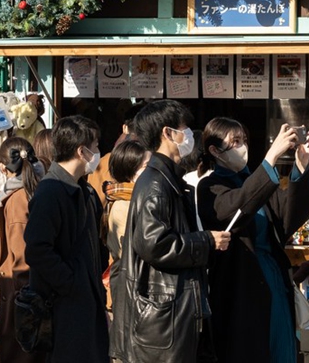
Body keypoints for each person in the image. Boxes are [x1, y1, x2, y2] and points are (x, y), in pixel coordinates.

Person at [109, 99, 231, 363]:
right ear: (167, 133)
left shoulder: (167, 178)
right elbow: (155, 244)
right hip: (162, 321)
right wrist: (206, 240)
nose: (189, 135)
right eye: (183, 128)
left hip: (171, 316)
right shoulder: (156, 183)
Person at [197, 117, 309, 363]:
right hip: (240, 283)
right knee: (250, 349)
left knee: (281, 346)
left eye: (244, 140)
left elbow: (287, 218)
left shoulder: (254, 179)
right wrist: (270, 158)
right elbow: (237, 207)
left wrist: (301, 164)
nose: (242, 146)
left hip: (272, 276)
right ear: (215, 150)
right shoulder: (210, 186)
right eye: (235, 142)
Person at [23, 115, 109, 362]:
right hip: (63, 306)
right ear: (82, 151)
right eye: (95, 146)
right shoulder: (51, 191)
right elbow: (37, 250)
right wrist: (70, 283)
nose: (98, 152)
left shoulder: (82, 189)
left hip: (83, 301)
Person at [0, 137, 46, 362]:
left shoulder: (16, 200)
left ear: (2, 167)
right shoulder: (40, 188)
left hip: (22, 301)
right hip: (35, 296)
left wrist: (21, 297)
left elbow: (21, 260)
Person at [101, 139, 150, 315]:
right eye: (146, 166)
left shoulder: (137, 199)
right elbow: (135, 251)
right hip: (131, 285)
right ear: (130, 171)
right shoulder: (124, 205)